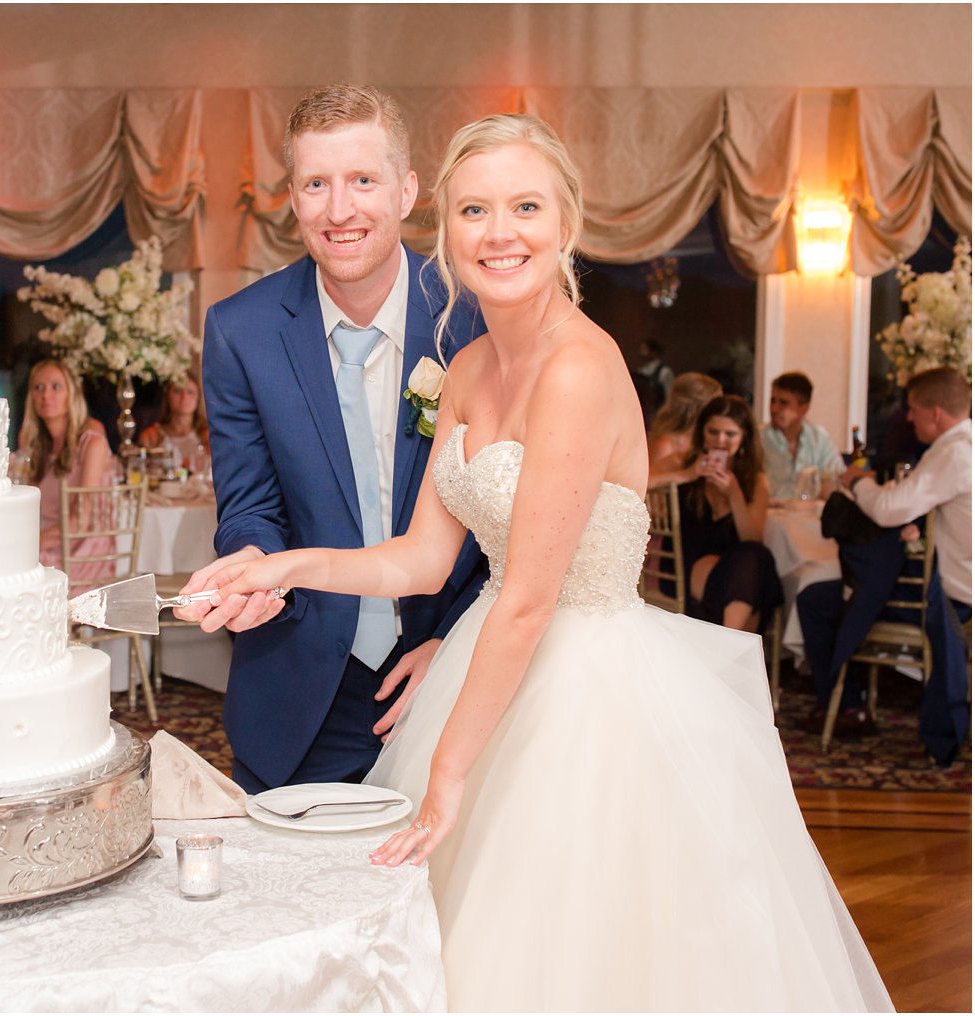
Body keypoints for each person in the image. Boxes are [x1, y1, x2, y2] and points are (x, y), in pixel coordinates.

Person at [190, 113, 889, 1010]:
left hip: (587, 692)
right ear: (444, 228)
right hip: (494, 661)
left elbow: (525, 598)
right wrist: (283, 569)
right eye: (475, 210)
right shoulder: (469, 367)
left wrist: (445, 773)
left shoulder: (579, 368)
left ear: (567, 223)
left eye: (525, 206)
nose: (499, 232)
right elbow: (420, 559)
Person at [180, 84, 488, 794]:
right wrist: (253, 562)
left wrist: (457, 642)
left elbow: (522, 523)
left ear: (407, 190)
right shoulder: (241, 331)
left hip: (452, 669)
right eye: (316, 183)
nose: (339, 209)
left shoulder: (475, 317)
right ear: (293, 197)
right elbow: (249, 502)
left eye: (362, 181)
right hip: (300, 683)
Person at [798, 367, 972, 731]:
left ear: (935, 413)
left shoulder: (954, 453)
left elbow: (890, 510)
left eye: (912, 409)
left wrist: (858, 482)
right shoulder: (962, 447)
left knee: (820, 599)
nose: (908, 418)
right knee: (845, 591)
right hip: (951, 586)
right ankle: (849, 702)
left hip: (953, 601)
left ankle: (844, 704)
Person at [654, 394, 784, 632]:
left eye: (730, 434)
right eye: (713, 432)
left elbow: (752, 537)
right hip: (686, 567)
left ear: (744, 437)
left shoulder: (754, 479)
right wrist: (688, 475)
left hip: (736, 574)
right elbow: (636, 482)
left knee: (754, 557)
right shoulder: (682, 462)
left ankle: (727, 641)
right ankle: (733, 651)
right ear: (702, 432)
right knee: (753, 579)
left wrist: (734, 494)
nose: (720, 441)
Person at [17, 359, 115, 589]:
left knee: (3, 565)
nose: (45, 395)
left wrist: (26, 545)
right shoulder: (36, 446)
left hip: (81, 552)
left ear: (72, 393)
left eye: (56, 386)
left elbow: (80, 522)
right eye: (38, 388)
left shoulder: (91, 443)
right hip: (49, 542)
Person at [762, 371, 845, 499]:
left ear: (804, 409)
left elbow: (837, 479)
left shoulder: (819, 439)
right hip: (771, 516)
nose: (774, 409)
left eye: (783, 403)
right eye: (773, 401)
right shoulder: (759, 440)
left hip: (811, 516)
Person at [644, 370, 722, 486]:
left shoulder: (707, 441)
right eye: (717, 405)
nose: (721, 411)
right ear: (697, 408)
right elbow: (651, 493)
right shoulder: (665, 445)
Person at [137, 368, 209, 469]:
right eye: (177, 391)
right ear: (167, 396)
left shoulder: (207, 434)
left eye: (190, 392)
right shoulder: (151, 436)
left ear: (198, 398)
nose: (184, 397)